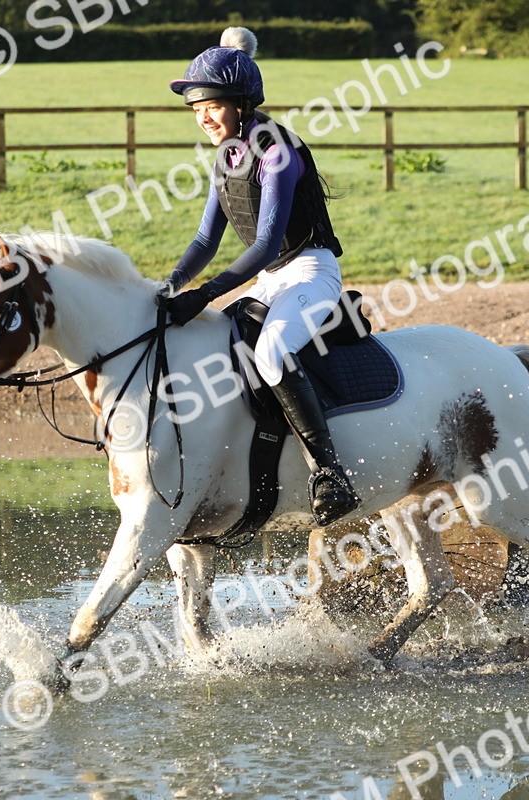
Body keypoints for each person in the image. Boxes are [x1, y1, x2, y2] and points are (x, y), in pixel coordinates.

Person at [161, 26, 359, 527]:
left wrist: (206, 292)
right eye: (196, 108)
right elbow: (207, 240)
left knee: (270, 352)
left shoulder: (275, 152)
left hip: (311, 272)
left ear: (242, 105)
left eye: (213, 105)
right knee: (216, 341)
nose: (203, 116)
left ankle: (329, 472)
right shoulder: (226, 156)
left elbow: (268, 242)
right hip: (271, 279)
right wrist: (169, 287)